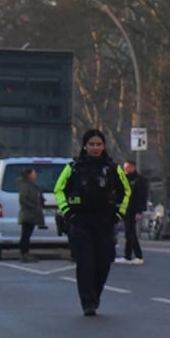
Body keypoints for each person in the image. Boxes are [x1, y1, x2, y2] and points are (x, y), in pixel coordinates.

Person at [54, 129, 131, 316]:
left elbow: (126, 191)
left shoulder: (113, 169)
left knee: (103, 262)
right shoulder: (73, 167)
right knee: (85, 263)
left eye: (98, 144)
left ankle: (95, 295)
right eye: (91, 144)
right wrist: (68, 212)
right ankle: (88, 302)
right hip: (80, 222)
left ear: (103, 146)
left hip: (105, 222)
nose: (95, 148)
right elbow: (59, 189)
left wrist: (118, 214)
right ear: (84, 146)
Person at [117, 159, 148, 264]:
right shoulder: (124, 179)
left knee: (129, 233)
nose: (125, 170)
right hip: (126, 209)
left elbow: (142, 197)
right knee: (131, 233)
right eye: (124, 168)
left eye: (127, 168)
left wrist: (139, 211)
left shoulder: (139, 180)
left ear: (133, 167)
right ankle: (138, 256)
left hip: (134, 210)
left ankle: (128, 256)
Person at [17, 167, 45, 263]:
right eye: (33, 174)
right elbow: (23, 199)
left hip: (32, 215)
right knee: (25, 235)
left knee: (27, 235)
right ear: (29, 175)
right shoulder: (25, 186)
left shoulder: (32, 186)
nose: (35, 175)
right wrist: (33, 207)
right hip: (27, 215)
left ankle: (25, 254)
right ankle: (24, 254)